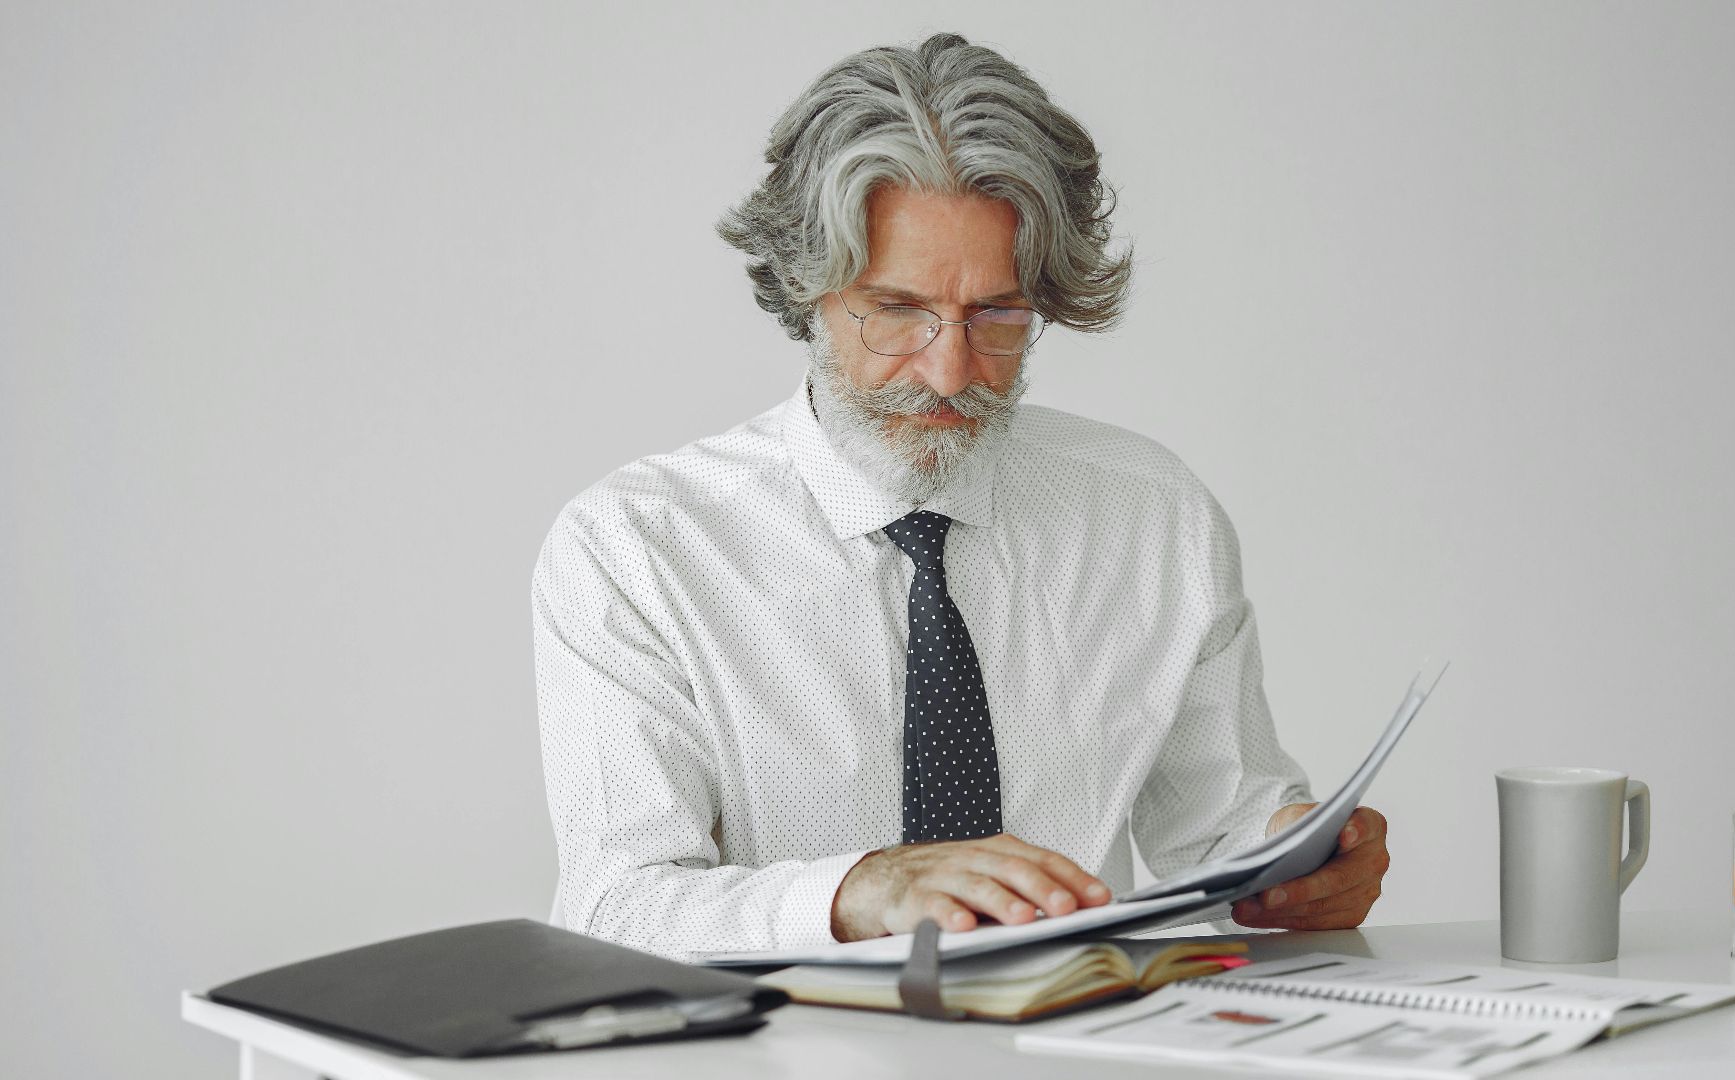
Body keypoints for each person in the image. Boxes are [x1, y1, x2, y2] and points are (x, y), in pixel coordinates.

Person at [532, 32, 1389, 961]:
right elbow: (614, 907)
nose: (949, 371)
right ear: (804, 287)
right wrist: (860, 891)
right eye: (897, 309)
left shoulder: (1153, 516)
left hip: (1078, 1045)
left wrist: (1292, 864)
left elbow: (1224, 827)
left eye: (998, 315)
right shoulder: (635, 547)